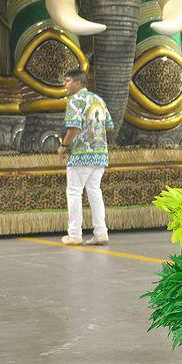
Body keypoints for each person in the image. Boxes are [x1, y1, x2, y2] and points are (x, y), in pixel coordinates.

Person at [58, 69, 113, 246]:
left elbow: (73, 127)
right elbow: (109, 125)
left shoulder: (75, 100)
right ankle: (101, 232)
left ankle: (74, 234)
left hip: (81, 154)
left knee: (74, 192)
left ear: (78, 83)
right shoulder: (99, 99)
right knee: (95, 192)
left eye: (67, 81)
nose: (65, 84)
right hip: (100, 154)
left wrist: (64, 145)